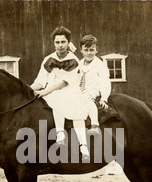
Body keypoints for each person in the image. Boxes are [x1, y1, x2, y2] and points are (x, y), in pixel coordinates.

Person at [30, 26, 91, 160]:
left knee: (77, 110)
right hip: (51, 93)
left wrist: (45, 91)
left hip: (69, 90)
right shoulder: (48, 59)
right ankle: (60, 134)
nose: (60, 45)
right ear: (54, 43)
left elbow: (64, 82)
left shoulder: (73, 59)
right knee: (55, 99)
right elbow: (40, 81)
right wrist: (28, 89)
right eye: (57, 42)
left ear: (68, 42)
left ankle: (83, 145)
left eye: (63, 42)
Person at [78, 35, 112, 135]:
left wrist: (104, 98)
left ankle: (94, 124)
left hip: (93, 90)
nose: (89, 53)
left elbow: (105, 82)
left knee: (86, 97)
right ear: (81, 50)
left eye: (92, 50)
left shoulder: (100, 65)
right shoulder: (79, 64)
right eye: (86, 50)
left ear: (96, 50)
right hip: (80, 90)